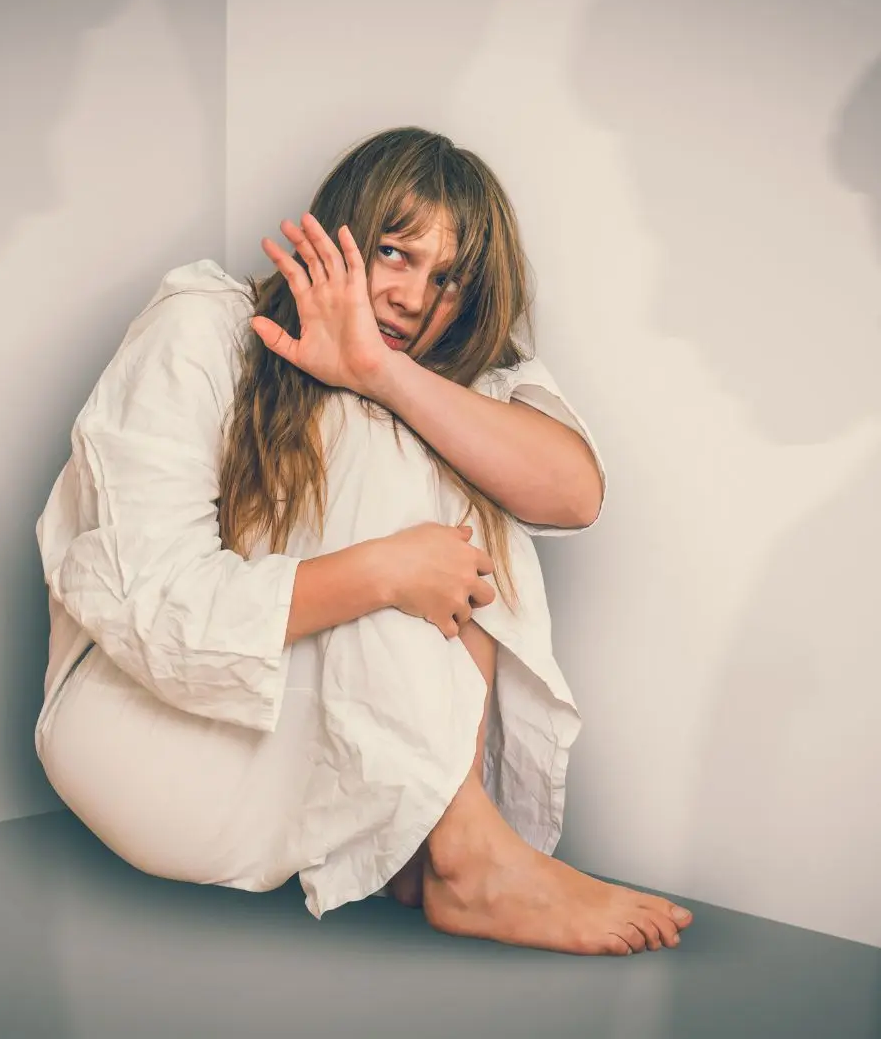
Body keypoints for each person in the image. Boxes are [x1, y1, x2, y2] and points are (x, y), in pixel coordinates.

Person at [34, 126, 694, 955]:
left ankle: (445, 841)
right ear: (338, 230)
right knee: (386, 444)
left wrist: (379, 374)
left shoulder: (439, 375)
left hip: (298, 767)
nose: (414, 299)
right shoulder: (204, 327)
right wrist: (383, 571)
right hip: (145, 736)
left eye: (447, 279)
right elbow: (154, 609)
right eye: (394, 253)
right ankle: (467, 855)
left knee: (442, 435)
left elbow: (571, 493)